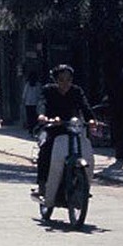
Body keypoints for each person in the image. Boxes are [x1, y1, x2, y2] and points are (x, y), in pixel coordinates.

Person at [35, 64, 95, 197]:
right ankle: (42, 183)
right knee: (46, 150)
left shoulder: (76, 91)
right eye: (61, 80)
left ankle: (82, 183)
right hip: (51, 128)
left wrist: (90, 119)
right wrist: (43, 116)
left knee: (83, 148)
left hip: (72, 128)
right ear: (55, 80)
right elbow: (42, 103)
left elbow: (84, 106)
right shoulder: (48, 91)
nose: (65, 83)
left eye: (68, 80)